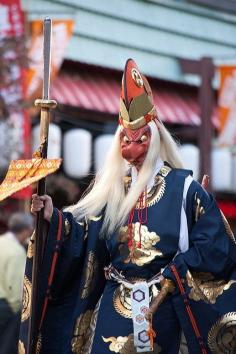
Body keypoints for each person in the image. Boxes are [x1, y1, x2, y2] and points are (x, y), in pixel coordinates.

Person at [20, 59, 236, 354]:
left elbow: (216, 245)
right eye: (126, 140)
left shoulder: (185, 189)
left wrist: (179, 270)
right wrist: (53, 218)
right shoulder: (113, 190)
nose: (132, 149)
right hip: (115, 302)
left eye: (141, 140)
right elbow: (86, 234)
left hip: (161, 304)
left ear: (155, 138)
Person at [0, 212, 34, 354]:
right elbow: (16, 289)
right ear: (26, 230)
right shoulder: (16, 252)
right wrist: (20, 312)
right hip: (6, 307)